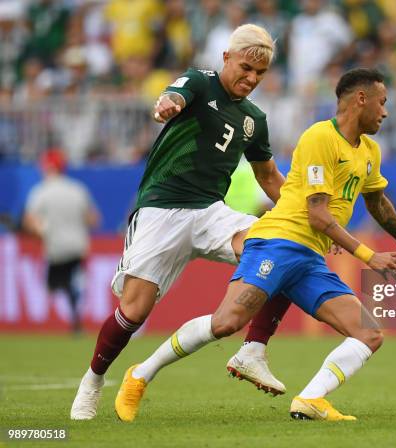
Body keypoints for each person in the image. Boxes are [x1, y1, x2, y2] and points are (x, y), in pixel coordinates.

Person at [115, 68, 396, 421]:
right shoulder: (320, 138)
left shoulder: (369, 151)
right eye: (382, 103)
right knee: (227, 322)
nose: (385, 112)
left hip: (308, 257)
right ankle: (141, 373)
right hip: (277, 242)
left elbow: (379, 204)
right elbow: (318, 215)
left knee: (369, 334)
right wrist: (369, 255)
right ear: (360, 99)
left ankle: (310, 399)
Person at [70, 24, 291, 420]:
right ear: (226, 58)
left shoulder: (254, 119)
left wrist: (308, 219)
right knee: (133, 313)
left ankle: (254, 349)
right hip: (162, 209)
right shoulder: (200, 81)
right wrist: (166, 105)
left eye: (260, 74)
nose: (251, 79)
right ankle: (93, 380)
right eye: (245, 67)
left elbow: (269, 177)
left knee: (283, 246)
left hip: (210, 211)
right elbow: (172, 95)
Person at [23, 148, 100, 333]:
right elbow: (93, 219)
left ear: (48, 167)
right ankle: (76, 319)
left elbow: (29, 221)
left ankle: (58, 319)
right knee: (70, 284)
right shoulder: (77, 189)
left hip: (56, 248)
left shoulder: (40, 192)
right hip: (78, 246)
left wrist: (39, 231)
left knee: (53, 285)